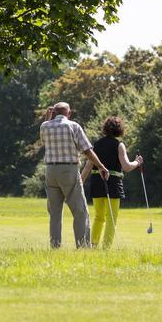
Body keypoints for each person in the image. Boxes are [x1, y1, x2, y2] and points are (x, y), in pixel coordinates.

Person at [39, 102, 109, 249]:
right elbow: (87, 150)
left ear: (54, 112)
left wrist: (49, 116)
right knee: (80, 211)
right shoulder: (73, 126)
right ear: (68, 113)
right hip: (68, 170)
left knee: (55, 212)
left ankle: (55, 246)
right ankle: (83, 246)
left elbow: (45, 135)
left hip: (51, 171)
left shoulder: (45, 126)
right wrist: (101, 166)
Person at [80, 116, 143, 248]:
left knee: (98, 216)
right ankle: (106, 247)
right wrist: (137, 162)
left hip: (97, 183)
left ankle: (93, 245)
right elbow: (126, 167)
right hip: (113, 184)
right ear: (120, 130)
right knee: (111, 218)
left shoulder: (96, 145)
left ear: (105, 128)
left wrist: (79, 183)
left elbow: (87, 167)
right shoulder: (119, 145)